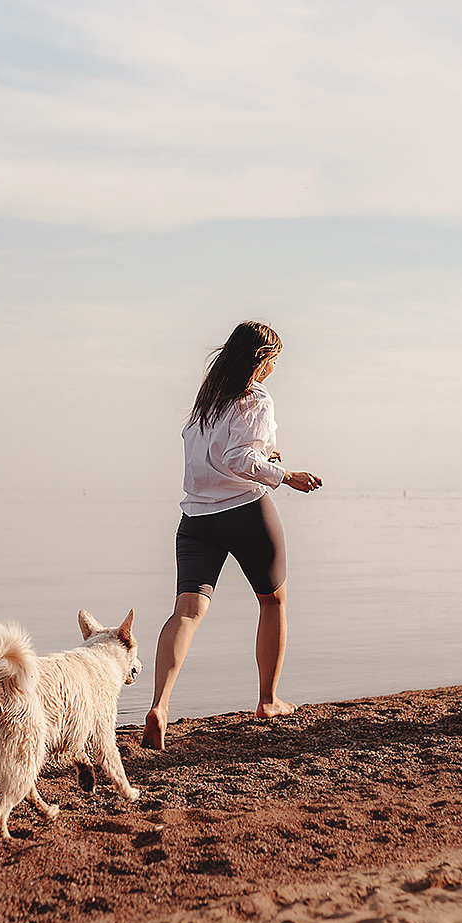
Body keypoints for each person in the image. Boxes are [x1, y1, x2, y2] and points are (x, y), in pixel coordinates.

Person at [141, 320, 323, 750]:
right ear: (262, 360)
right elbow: (241, 458)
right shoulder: (255, 397)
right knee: (273, 600)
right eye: (274, 361)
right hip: (244, 511)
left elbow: (213, 454)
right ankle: (268, 700)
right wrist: (286, 474)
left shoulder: (209, 399)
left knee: (186, 611)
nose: (274, 370)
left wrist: (261, 455)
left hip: (196, 519)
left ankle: (160, 706)